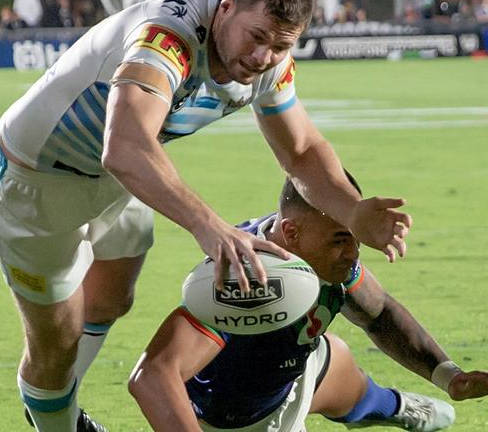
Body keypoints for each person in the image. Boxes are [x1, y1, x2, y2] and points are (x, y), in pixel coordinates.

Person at [0, 0, 412, 431]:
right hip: (36, 179)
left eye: (281, 45)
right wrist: (210, 226)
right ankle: (56, 419)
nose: (263, 56)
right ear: (227, 7)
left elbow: (303, 149)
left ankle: (55, 398)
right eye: (258, 36)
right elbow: (123, 146)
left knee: (111, 299)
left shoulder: (270, 62)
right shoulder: (164, 40)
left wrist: (352, 210)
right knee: (54, 346)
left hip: (118, 175)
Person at [129, 175, 488, 431]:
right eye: (340, 240)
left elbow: (379, 314)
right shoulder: (248, 279)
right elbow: (152, 376)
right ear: (290, 233)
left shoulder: (320, 252)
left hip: (296, 368)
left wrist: (448, 375)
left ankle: (397, 407)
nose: (352, 253)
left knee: (344, 372)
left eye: (355, 239)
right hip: (227, 417)